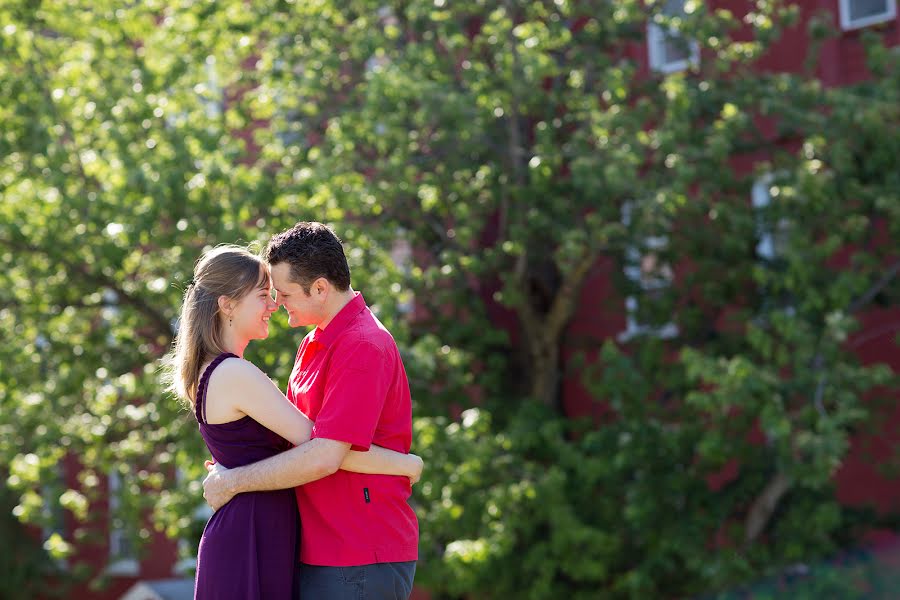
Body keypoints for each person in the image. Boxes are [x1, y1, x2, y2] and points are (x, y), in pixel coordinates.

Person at [164, 244, 422, 600]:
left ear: (319, 288)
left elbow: (320, 449)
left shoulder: (357, 344)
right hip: (259, 535)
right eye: (265, 295)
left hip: (319, 544)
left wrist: (233, 479)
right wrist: (404, 463)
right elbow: (319, 449)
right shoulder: (236, 372)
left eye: (280, 294)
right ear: (227, 305)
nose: (274, 304)